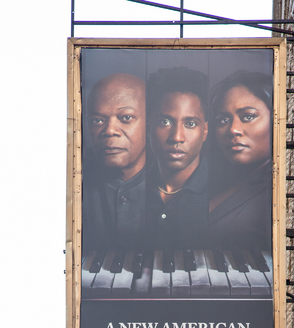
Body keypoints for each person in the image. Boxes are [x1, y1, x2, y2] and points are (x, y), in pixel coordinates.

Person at [146, 67, 209, 249]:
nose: (177, 137)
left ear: (205, 131)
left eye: (190, 124)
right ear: (149, 127)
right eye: (165, 122)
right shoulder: (134, 186)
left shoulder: (221, 191)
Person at [209, 71, 273, 248]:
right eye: (223, 120)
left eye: (248, 117)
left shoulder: (276, 192)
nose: (233, 129)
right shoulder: (215, 180)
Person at [83, 73, 147, 249]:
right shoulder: (73, 174)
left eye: (126, 118)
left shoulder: (175, 177)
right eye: (97, 120)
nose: (109, 130)